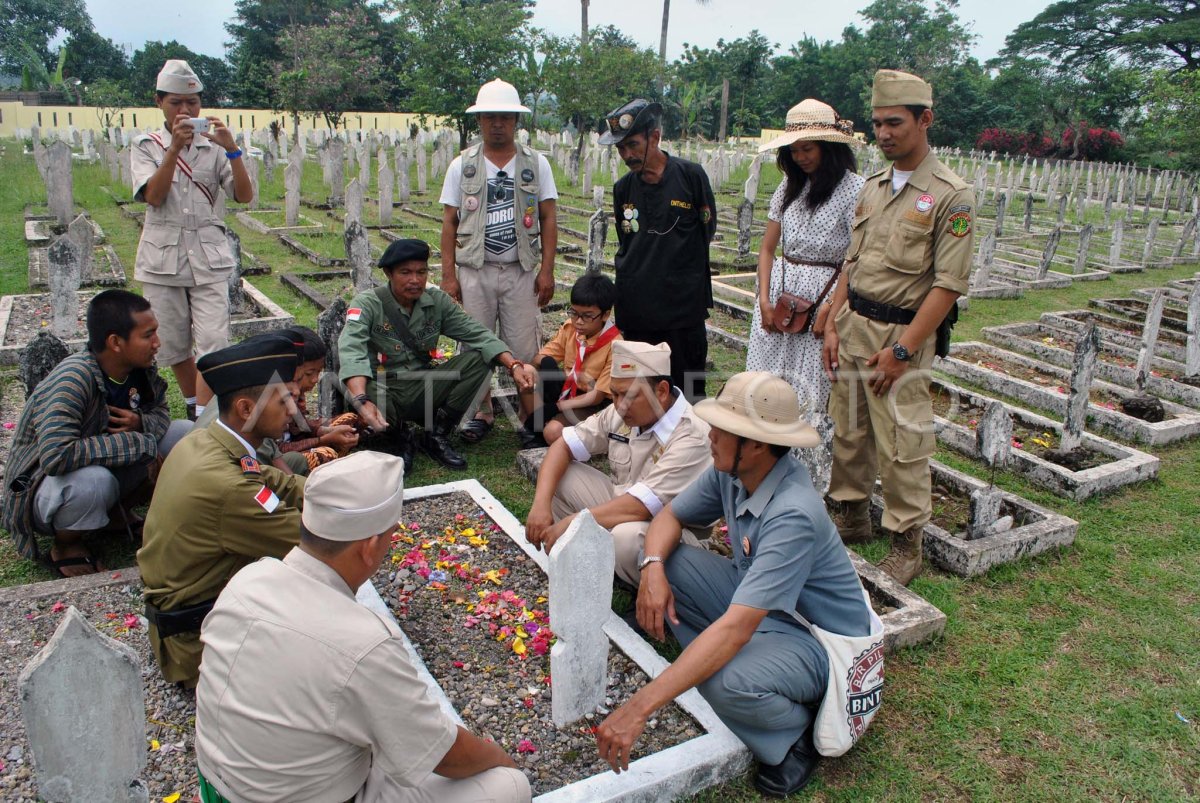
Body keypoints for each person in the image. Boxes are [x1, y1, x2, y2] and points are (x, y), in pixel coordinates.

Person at [595, 372, 874, 797]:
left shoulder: (792, 513)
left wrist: (639, 708)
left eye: (721, 429)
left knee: (725, 679)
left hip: (816, 639)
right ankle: (698, 636)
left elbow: (736, 629)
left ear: (756, 444)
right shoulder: (735, 469)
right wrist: (652, 569)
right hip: (762, 606)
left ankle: (794, 734)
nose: (710, 434)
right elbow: (670, 516)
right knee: (660, 555)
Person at [195, 452, 531, 803]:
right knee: (509, 786)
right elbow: (444, 754)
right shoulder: (362, 642)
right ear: (370, 547)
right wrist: (501, 760)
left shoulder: (248, 579)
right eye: (390, 535)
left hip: (221, 786)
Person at [823, 69, 974, 585]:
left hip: (900, 335)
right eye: (877, 124)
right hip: (854, 324)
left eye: (895, 123)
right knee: (850, 427)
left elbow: (947, 286)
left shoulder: (951, 195)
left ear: (924, 120)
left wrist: (904, 353)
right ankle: (850, 512)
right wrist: (833, 323)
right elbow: (852, 261)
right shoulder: (874, 187)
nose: (884, 134)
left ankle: (906, 539)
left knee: (902, 439)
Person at [138, 335, 304, 687]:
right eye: (285, 399)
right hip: (196, 649)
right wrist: (363, 513)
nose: (295, 409)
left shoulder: (207, 442)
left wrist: (338, 490)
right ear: (246, 409)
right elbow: (313, 540)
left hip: (188, 620)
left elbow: (279, 484)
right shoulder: (228, 486)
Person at [1, 291, 191, 577]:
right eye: (147, 335)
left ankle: (116, 515)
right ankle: (66, 545)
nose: (157, 343)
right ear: (115, 342)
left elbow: (160, 412)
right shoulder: (73, 379)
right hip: (44, 487)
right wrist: (136, 442)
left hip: (107, 465)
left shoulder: (139, 370)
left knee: (186, 437)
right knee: (92, 482)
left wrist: (141, 422)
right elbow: (56, 455)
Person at [524, 341, 713, 586]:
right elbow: (563, 445)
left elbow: (640, 508)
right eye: (614, 393)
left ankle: (645, 586)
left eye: (630, 395)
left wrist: (572, 521)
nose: (619, 405)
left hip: (675, 532)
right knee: (560, 475)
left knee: (627, 538)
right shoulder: (622, 409)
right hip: (623, 506)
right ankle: (601, 558)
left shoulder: (692, 435)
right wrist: (540, 505)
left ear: (662, 392)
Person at [338, 239, 535, 471]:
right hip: (383, 388)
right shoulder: (368, 304)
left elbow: (477, 333)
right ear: (389, 273)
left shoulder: (436, 301)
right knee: (368, 388)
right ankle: (399, 437)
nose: (415, 280)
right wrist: (361, 400)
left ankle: (436, 434)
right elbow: (352, 349)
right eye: (406, 272)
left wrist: (513, 366)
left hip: (422, 384)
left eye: (421, 272)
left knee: (480, 359)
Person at [131, 59, 253, 421]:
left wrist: (232, 150)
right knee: (171, 344)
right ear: (159, 102)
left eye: (192, 103)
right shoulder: (145, 146)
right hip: (163, 258)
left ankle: (204, 416)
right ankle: (194, 404)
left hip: (209, 257)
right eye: (176, 103)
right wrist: (172, 152)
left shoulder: (213, 147)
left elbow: (243, 196)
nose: (185, 111)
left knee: (214, 343)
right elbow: (153, 196)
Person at [439, 78, 558, 444]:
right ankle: (482, 413)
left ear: (516, 121)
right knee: (476, 347)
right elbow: (449, 221)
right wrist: (448, 275)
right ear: (479, 121)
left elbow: (549, 217)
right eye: (490, 117)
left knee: (523, 347)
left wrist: (547, 270)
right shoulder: (464, 165)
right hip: (475, 269)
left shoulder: (535, 164)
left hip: (520, 270)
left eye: (505, 117)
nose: (497, 124)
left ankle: (528, 416)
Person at [748, 99, 864, 428]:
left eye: (808, 149)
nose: (801, 157)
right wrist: (765, 299)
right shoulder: (789, 186)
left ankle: (803, 463)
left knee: (808, 386)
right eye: (794, 150)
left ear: (829, 147)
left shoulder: (854, 189)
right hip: (779, 294)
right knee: (765, 381)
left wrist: (830, 309)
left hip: (824, 297)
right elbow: (768, 248)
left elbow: (854, 257)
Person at [603, 99, 716, 402]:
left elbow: (706, 229)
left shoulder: (691, 177)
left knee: (687, 391)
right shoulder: (623, 189)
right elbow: (628, 240)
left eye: (633, 145)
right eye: (620, 149)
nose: (627, 155)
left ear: (655, 137)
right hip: (637, 307)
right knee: (644, 391)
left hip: (682, 307)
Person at [516, 272, 621, 450]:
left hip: (590, 404)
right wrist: (553, 367)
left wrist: (557, 406)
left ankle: (543, 429)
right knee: (526, 370)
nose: (578, 321)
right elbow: (537, 360)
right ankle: (537, 425)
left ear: (605, 315)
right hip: (566, 392)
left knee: (553, 432)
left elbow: (597, 396)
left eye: (587, 316)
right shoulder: (570, 328)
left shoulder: (616, 345)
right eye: (574, 313)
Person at [259, 326, 362, 476]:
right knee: (323, 455)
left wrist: (325, 431)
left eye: (318, 372)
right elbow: (277, 450)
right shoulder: (270, 398)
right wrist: (322, 439)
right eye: (308, 374)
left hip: (296, 442)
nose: (315, 380)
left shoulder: (293, 391)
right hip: (281, 455)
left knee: (349, 421)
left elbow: (301, 426)